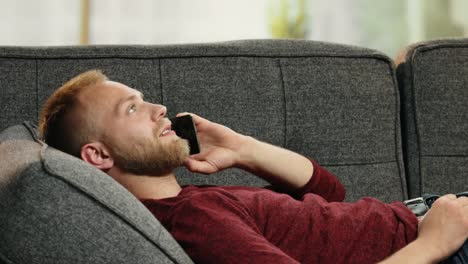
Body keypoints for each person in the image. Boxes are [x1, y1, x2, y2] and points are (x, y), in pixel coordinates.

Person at [38, 69, 468, 264]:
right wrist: (433, 243)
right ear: (98, 155)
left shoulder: (193, 201)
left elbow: (331, 192)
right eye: (132, 108)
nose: (158, 108)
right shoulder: (193, 219)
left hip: (428, 221)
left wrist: (243, 149)